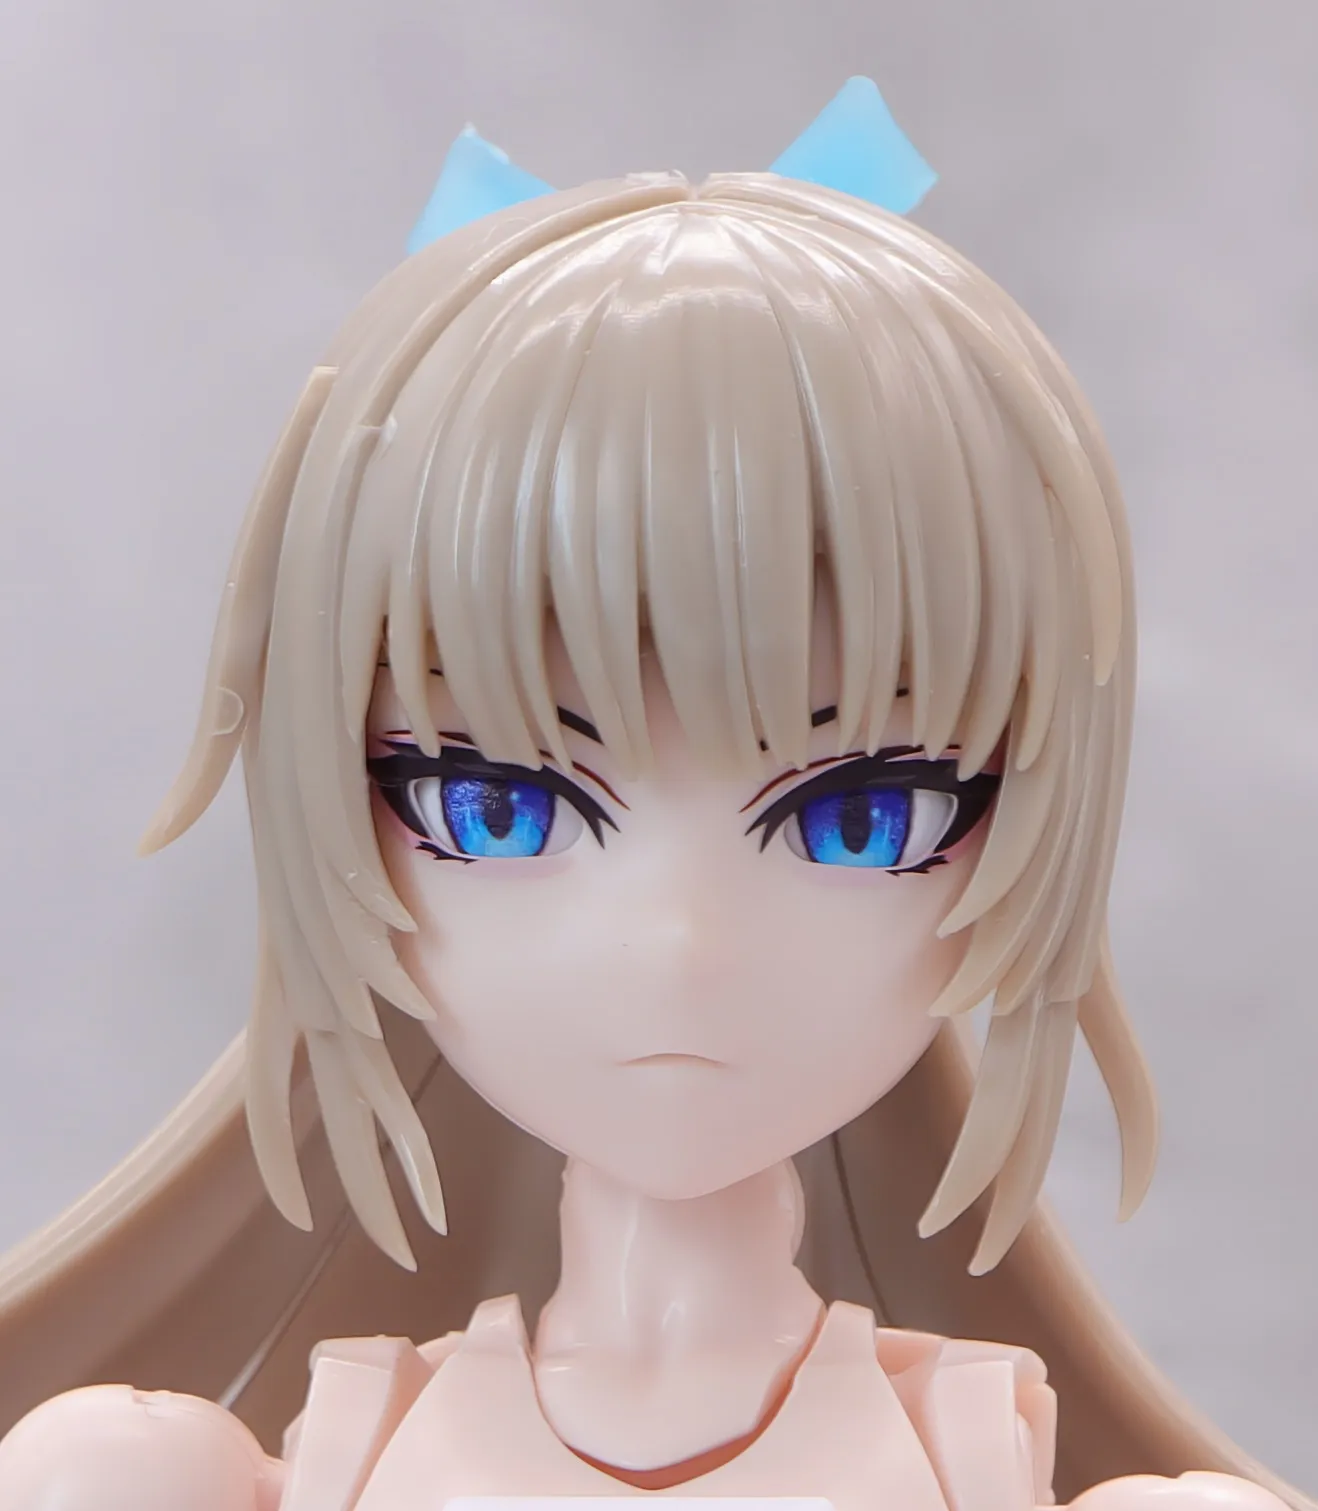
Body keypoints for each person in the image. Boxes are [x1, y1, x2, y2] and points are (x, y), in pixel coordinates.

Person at [0, 80, 1307, 1510]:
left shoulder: (975, 1453)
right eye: (493, 804)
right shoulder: (278, 1459)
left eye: (864, 817)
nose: (681, 945)